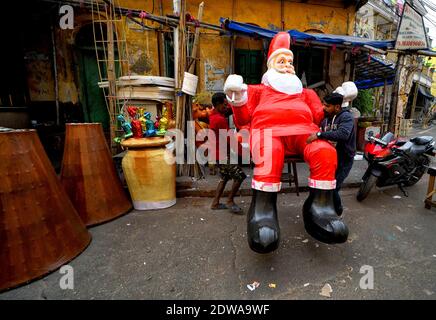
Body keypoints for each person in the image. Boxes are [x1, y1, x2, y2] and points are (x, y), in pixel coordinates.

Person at [224, 32, 349, 253]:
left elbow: (318, 116)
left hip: (304, 132)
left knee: (325, 151)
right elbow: (243, 118)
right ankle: (263, 212)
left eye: (289, 62)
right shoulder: (257, 90)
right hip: (268, 131)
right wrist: (236, 96)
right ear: (271, 65)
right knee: (269, 153)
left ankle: (320, 208)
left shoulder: (305, 93)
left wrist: (341, 99)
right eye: (281, 61)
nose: (287, 66)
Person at [306, 82, 358, 215]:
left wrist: (319, 135)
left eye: (327, 106)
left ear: (337, 107)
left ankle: (338, 211)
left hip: (344, 158)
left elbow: (343, 134)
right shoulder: (326, 119)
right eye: (323, 104)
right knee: (326, 186)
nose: (324, 108)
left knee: (333, 187)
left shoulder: (346, 118)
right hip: (331, 158)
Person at [209, 92, 247, 214]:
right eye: (224, 104)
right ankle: (230, 200)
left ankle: (215, 203)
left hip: (218, 153)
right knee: (240, 176)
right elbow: (230, 139)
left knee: (224, 177)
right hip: (221, 154)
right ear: (218, 104)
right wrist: (245, 153)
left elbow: (230, 110)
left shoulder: (214, 115)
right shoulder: (219, 120)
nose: (226, 107)